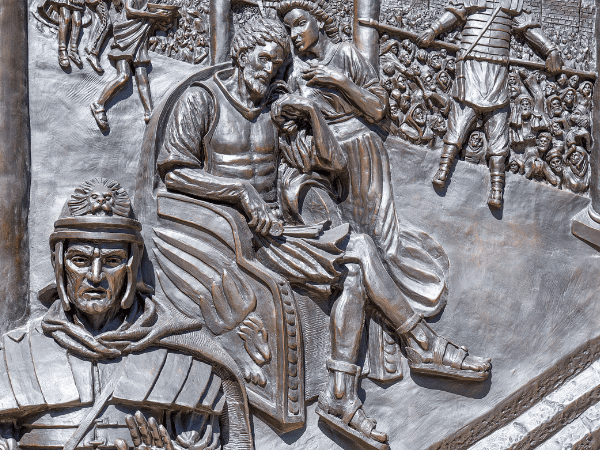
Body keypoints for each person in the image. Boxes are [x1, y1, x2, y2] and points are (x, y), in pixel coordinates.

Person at [155, 15, 490, 450]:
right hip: (229, 236)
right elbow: (174, 172)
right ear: (241, 53)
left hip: (279, 232)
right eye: (262, 59)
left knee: (359, 253)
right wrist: (237, 193)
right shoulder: (202, 99)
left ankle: (346, 392)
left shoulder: (276, 107)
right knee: (357, 256)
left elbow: (333, 164)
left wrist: (311, 114)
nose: (268, 71)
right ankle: (417, 348)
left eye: (276, 64)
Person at [0, 178, 253, 450]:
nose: (95, 276)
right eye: (80, 260)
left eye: (112, 261)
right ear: (59, 263)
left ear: (132, 266)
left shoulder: (183, 361)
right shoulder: (16, 358)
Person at [417, 0, 562, 208]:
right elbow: (455, 12)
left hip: (497, 74)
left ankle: (496, 189)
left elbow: (528, 28)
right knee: (458, 124)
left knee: (498, 134)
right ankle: (443, 169)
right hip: (469, 68)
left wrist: (551, 50)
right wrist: (433, 30)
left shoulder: (512, 3)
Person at [90, 0, 175, 131]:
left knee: (142, 77)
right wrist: (155, 15)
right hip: (126, 34)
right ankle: (99, 104)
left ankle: (150, 113)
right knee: (123, 76)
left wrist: (163, 18)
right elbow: (130, 11)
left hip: (140, 36)